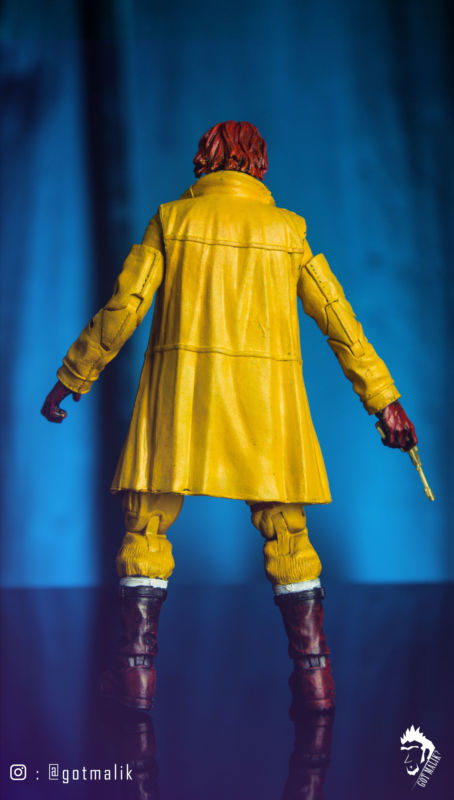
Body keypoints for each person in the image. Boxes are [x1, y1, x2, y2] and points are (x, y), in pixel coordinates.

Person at [42, 120, 417, 713]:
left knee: (146, 529)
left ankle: (136, 674)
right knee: (288, 535)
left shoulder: (172, 220)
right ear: (259, 166)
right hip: (266, 409)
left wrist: (73, 375)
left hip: (180, 403)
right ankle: (315, 678)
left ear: (203, 160)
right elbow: (340, 322)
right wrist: (385, 400)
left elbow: (125, 307)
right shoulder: (288, 232)